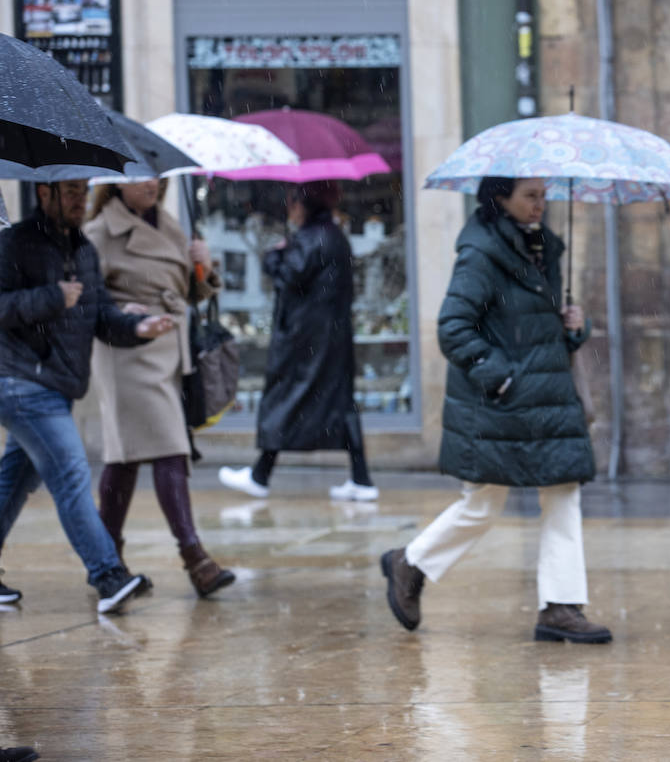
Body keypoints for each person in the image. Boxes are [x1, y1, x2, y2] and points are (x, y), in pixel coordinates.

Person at [379, 177, 610, 644]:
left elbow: (532, 331)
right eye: (530, 195)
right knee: (483, 501)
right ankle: (411, 562)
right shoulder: (481, 253)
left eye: (544, 195)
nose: (540, 204)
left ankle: (561, 606)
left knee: (563, 492)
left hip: (544, 400)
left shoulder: (543, 249)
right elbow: (453, 327)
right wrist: (500, 375)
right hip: (501, 403)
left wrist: (572, 328)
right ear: (499, 198)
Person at [0, 179, 174, 614]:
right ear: (45, 193)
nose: (80, 201)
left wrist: (136, 328)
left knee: (14, 483)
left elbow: (99, 317)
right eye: (71, 193)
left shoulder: (82, 251)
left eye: (83, 192)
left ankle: (107, 572)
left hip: (55, 385)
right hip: (20, 380)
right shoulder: (14, 244)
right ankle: (107, 574)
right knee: (71, 473)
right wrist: (50, 297)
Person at [84, 180, 235, 597]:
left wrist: (203, 266)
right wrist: (119, 312)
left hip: (168, 351)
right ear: (117, 182)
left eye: (156, 175)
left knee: (127, 458)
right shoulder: (99, 232)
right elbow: (87, 301)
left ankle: (105, 557)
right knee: (169, 447)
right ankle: (195, 559)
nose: (151, 183)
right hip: (126, 351)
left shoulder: (169, 225)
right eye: (140, 175)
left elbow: (186, 292)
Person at [218, 180, 376, 501]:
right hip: (330, 338)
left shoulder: (310, 239)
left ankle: (261, 474)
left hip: (304, 341)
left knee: (286, 400)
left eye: (294, 201)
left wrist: (274, 256)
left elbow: (289, 278)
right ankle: (361, 479)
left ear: (305, 205)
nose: (290, 207)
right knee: (340, 404)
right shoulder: (335, 237)